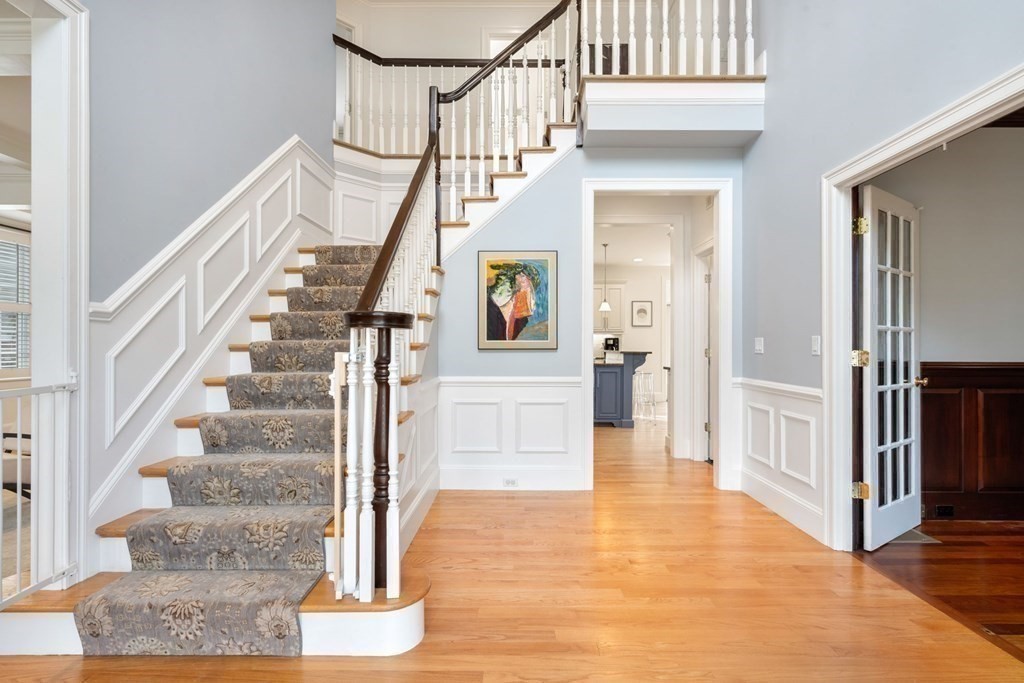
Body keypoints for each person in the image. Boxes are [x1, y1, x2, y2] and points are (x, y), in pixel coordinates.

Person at [506, 270, 536, 340]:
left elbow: (530, 303)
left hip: (523, 317)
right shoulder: (516, 293)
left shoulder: (527, 290)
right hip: (517, 316)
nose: (520, 278)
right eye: (519, 276)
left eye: (522, 276)